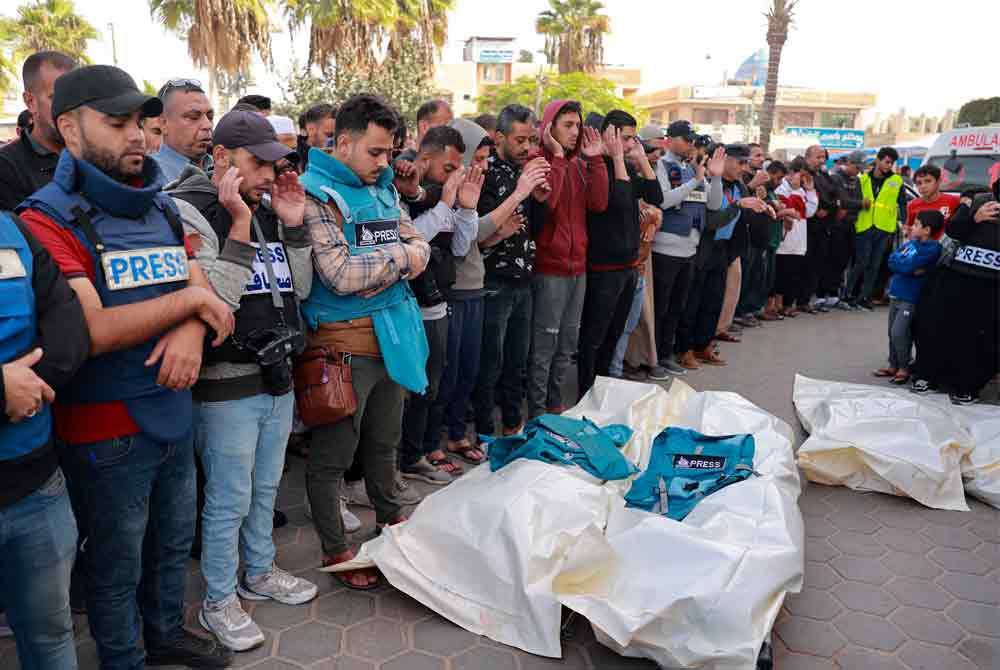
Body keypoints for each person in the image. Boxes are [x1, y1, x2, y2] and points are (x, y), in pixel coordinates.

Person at [19, 64, 235, 670]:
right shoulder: (44, 219)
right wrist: (193, 303)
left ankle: (165, 634)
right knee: (115, 566)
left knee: (171, 546)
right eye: (117, 123)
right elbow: (94, 329)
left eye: (141, 121)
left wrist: (193, 325)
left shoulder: (162, 210)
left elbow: (207, 297)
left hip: (173, 409)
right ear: (69, 127)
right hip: (105, 428)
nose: (138, 135)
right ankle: (124, 657)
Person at [168, 109, 318, 651]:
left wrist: (293, 223)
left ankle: (259, 571)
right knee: (227, 498)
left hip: (276, 374)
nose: (268, 175)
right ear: (225, 158)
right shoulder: (188, 210)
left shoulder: (267, 207)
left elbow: (297, 290)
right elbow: (217, 303)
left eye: (274, 163)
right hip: (225, 380)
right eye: (259, 163)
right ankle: (217, 601)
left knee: (264, 488)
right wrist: (236, 221)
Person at [299, 95, 430, 590]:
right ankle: (337, 551)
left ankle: (391, 522)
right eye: (375, 153)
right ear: (345, 142)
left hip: (392, 340)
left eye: (388, 152)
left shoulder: (383, 188)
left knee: (384, 443)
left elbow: (418, 242)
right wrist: (402, 260)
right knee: (333, 455)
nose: (384, 163)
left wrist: (391, 259)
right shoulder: (315, 194)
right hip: (341, 349)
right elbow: (338, 274)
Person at [0, 210, 89, 670]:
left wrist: (27, 391)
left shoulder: (13, 230)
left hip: (38, 488)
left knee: (51, 637)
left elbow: (68, 327)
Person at [396, 125, 481, 479]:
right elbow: (411, 242)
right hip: (405, 307)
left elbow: (459, 248)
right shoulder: (401, 192)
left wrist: (466, 208)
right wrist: (446, 202)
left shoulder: (439, 197)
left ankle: (416, 455)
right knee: (404, 394)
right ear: (425, 159)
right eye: (448, 169)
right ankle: (397, 462)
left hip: (437, 305)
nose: (453, 177)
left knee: (430, 389)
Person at [527, 99, 608, 416]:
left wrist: (597, 160)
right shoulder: (539, 162)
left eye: (578, 125)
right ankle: (536, 410)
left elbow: (599, 203)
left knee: (567, 345)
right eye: (567, 125)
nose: (575, 132)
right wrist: (558, 158)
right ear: (549, 128)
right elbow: (548, 204)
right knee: (545, 344)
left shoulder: (578, 165)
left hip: (578, 267)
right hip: (549, 268)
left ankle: (555, 404)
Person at [473, 104, 549, 438]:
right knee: (490, 363)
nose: (527, 148)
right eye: (520, 140)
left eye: (532, 140)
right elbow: (478, 233)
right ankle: (485, 433)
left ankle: (512, 426)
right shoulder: (484, 172)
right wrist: (520, 193)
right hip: (493, 280)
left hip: (524, 278)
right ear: (500, 137)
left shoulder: (528, 171)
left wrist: (541, 199)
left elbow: (536, 228)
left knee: (517, 361)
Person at [577, 110, 662, 396]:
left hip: (628, 265)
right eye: (625, 138)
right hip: (603, 268)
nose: (629, 145)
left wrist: (640, 159)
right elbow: (620, 201)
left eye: (632, 139)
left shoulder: (624, 165)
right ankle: (585, 393)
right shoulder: (596, 164)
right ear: (608, 135)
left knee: (614, 336)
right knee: (594, 337)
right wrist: (616, 158)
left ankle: (603, 392)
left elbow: (655, 196)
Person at [912, 188, 999, 405]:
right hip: (957, 277)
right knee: (937, 326)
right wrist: (975, 218)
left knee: (983, 338)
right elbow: (953, 229)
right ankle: (928, 376)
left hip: (993, 286)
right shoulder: (980, 200)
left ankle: (967, 386)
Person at [651, 121, 722, 374]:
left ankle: (666, 354)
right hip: (666, 249)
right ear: (671, 139)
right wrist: (695, 182)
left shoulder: (693, 169)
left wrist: (715, 176)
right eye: (686, 139)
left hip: (690, 250)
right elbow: (664, 200)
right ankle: (653, 358)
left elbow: (713, 204)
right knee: (660, 307)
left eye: (692, 139)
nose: (691, 144)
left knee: (676, 308)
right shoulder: (662, 165)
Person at [872, 210, 943, 385]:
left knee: (899, 333)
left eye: (917, 224)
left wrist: (905, 266)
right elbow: (892, 260)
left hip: (910, 298)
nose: (912, 227)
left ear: (927, 230)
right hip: (896, 293)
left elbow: (908, 264)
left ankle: (904, 367)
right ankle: (893, 365)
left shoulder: (933, 248)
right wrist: (907, 268)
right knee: (891, 332)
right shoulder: (911, 243)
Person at [0, 51, 76, 211]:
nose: (69, 107)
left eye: (75, 97)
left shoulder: (95, 154)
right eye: (56, 98)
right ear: (30, 101)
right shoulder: (7, 167)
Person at [844, 147, 906, 311]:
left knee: (875, 264)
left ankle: (864, 297)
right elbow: (853, 201)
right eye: (886, 162)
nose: (888, 165)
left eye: (891, 163)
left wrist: (905, 222)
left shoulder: (897, 181)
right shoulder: (862, 179)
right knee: (861, 262)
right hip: (864, 226)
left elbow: (903, 203)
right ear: (877, 160)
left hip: (884, 227)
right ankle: (848, 294)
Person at [774, 158, 818, 316]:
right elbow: (786, 207)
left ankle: (788, 304)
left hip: (799, 240)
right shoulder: (782, 189)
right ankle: (777, 305)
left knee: (794, 274)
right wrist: (793, 189)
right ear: (792, 173)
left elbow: (809, 212)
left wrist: (811, 191)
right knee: (782, 273)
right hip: (785, 240)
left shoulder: (802, 191)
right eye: (802, 176)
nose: (804, 180)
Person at [802, 145, 841, 313]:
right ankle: (801, 300)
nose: (821, 161)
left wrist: (830, 207)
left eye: (823, 157)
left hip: (825, 226)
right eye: (818, 157)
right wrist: (821, 207)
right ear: (807, 157)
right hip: (809, 225)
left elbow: (835, 196)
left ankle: (809, 299)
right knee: (806, 265)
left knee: (818, 263)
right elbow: (816, 198)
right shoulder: (804, 175)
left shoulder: (825, 175)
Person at [153, 78, 214, 182]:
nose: (208, 125)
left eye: (210, 117)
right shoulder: (149, 175)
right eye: (193, 117)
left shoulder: (221, 166)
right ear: (163, 123)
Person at [827, 151, 865, 310]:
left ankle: (839, 294)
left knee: (845, 261)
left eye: (860, 168)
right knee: (835, 261)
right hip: (837, 226)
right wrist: (857, 204)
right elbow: (843, 201)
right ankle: (829, 294)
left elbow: (854, 201)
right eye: (856, 167)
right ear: (848, 163)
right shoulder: (836, 177)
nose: (858, 171)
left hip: (851, 225)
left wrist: (851, 206)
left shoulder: (856, 180)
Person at [906, 164, 960, 237]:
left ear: (938, 181)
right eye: (919, 183)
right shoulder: (912, 206)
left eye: (928, 181)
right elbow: (908, 231)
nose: (923, 186)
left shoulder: (954, 201)